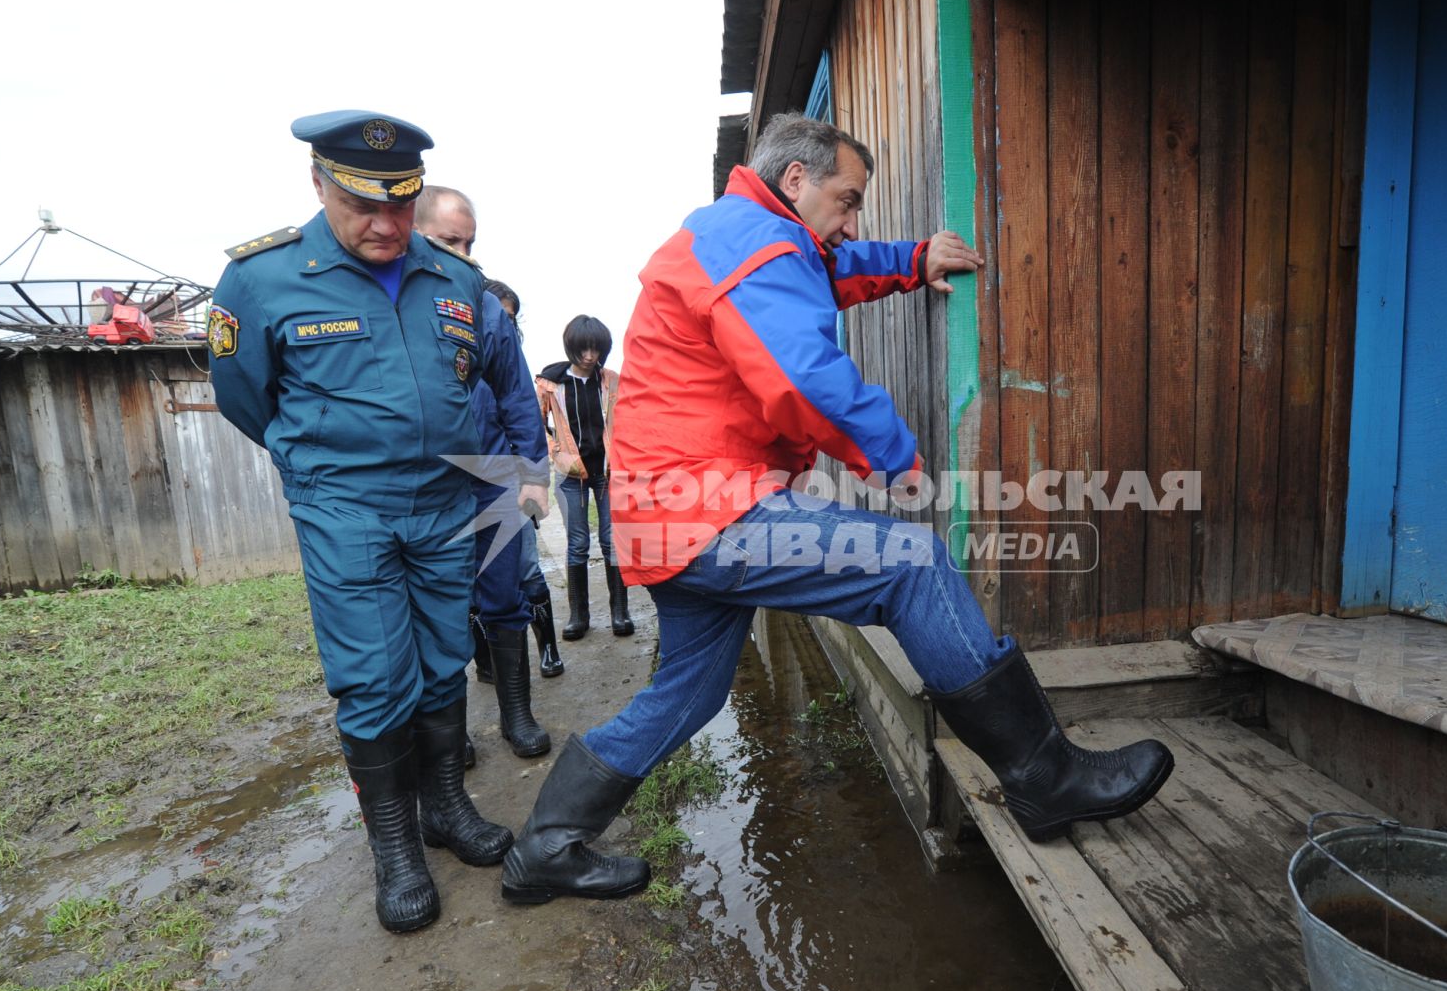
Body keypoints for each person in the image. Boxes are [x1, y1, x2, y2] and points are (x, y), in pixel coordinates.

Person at [500, 113, 1175, 905]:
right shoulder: (750, 239)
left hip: (670, 514)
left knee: (688, 691)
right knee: (913, 565)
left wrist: (914, 259)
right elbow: (802, 373)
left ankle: (546, 845)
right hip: (706, 507)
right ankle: (1045, 775)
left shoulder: (750, 237)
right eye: (847, 200)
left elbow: (832, 268)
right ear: (796, 181)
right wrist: (896, 459)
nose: (852, 221)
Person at [208, 110, 518, 934]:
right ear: (319, 184)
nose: (386, 224)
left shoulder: (454, 280)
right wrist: (317, 462)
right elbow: (246, 397)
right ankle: (394, 846)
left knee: (445, 656)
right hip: (347, 510)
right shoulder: (260, 280)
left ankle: (446, 807)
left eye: (402, 205)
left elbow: (477, 379)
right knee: (375, 675)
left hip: (444, 503)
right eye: (363, 205)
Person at [411, 187, 554, 758]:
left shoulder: (482, 305)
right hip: (426, 484)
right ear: (413, 232)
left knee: (503, 596)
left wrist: (533, 474)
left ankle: (517, 717)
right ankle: (452, 737)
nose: (463, 253)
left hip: (491, 473)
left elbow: (519, 397)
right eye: (450, 241)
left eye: (470, 242)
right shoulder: (390, 302)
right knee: (439, 608)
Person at [537, 316, 633, 639]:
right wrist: (555, 453)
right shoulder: (550, 384)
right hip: (569, 474)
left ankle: (620, 613)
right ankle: (579, 617)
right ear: (572, 347)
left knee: (611, 542)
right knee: (577, 543)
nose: (590, 356)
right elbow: (535, 424)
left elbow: (632, 417)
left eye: (596, 349)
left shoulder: (612, 381)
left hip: (607, 472)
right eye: (584, 348)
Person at [485, 279, 563, 678]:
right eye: (499, 313)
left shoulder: (513, 366)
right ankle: (487, 662)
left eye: (511, 317)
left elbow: (527, 422)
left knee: (527, 567)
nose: (504, 322)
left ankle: (548, 647)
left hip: (512, 481)